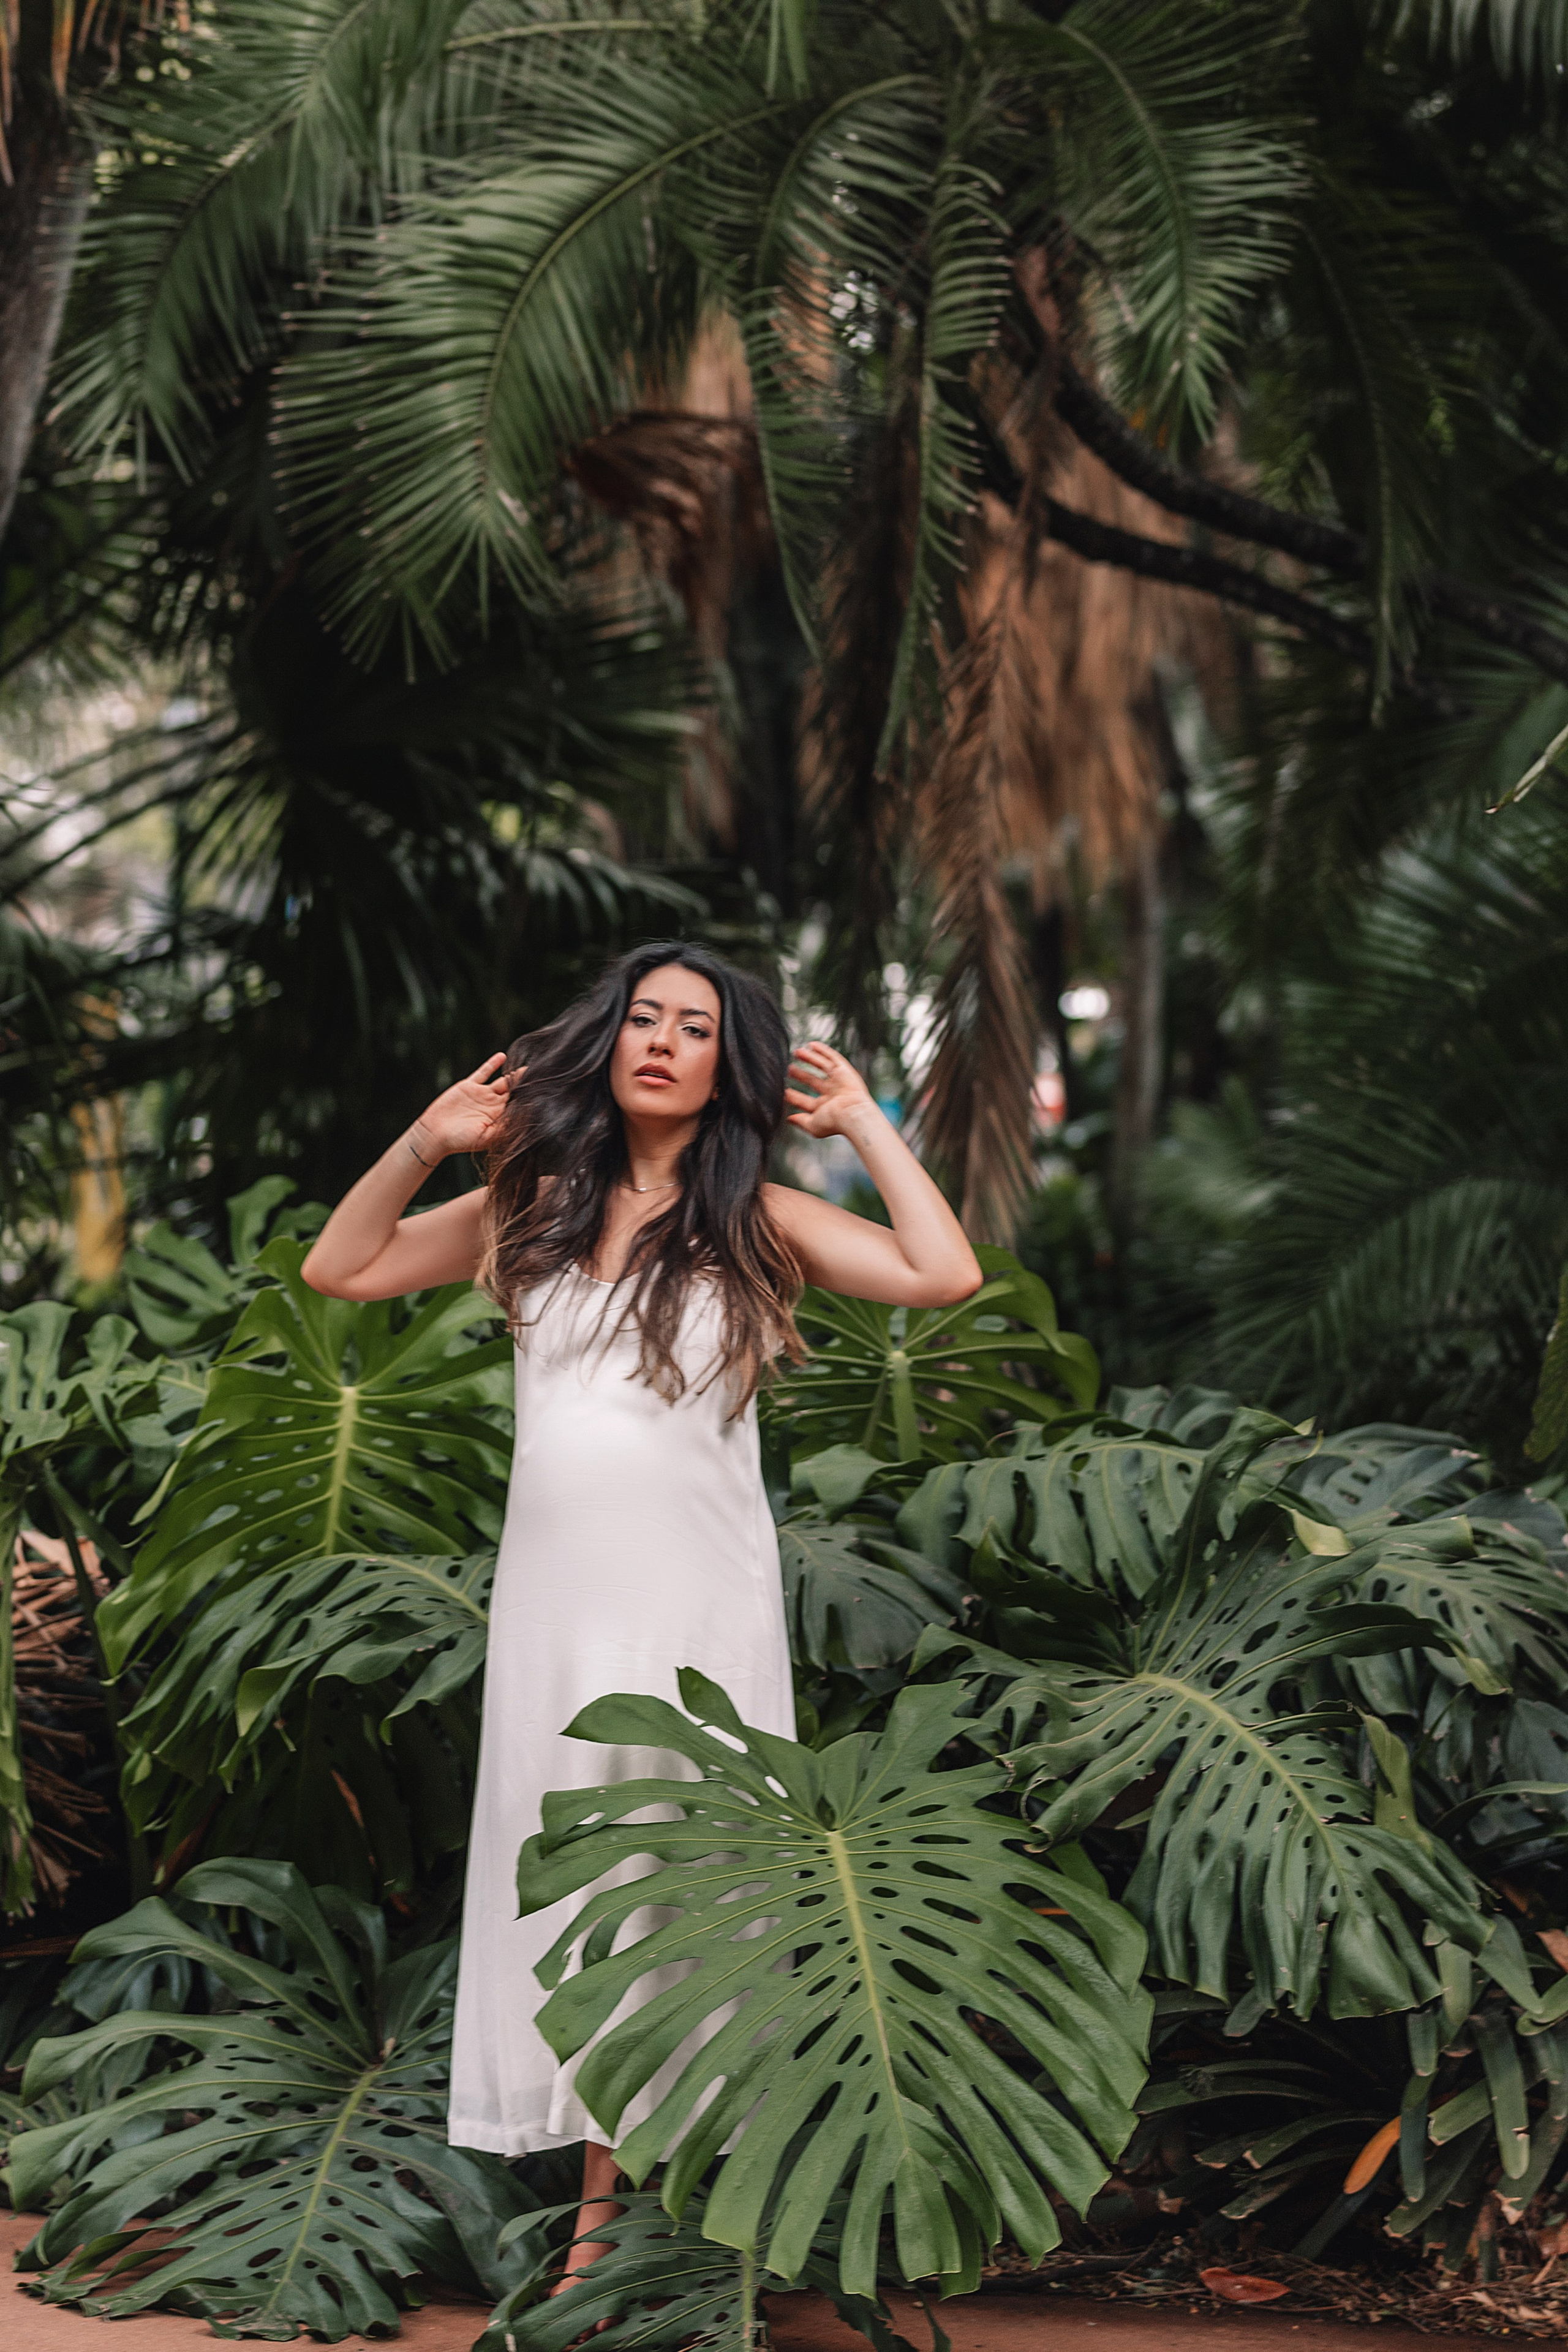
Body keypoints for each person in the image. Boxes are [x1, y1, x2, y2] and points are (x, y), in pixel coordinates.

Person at [301, 941, 981, 2283]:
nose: (662, 1041)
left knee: (669, 1887)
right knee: (570, 1885)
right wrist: (425, 1140)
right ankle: (610, 2213)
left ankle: (610, 2239)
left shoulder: (759, 1220)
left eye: (696, 1027)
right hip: (554, 1614)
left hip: (690, 1609)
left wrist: (862, 1124)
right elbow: (343, 1269)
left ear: (731, 1066)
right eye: (644, 1019)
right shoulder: (526, 1208)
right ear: (608, 1041)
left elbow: (941, 1275)